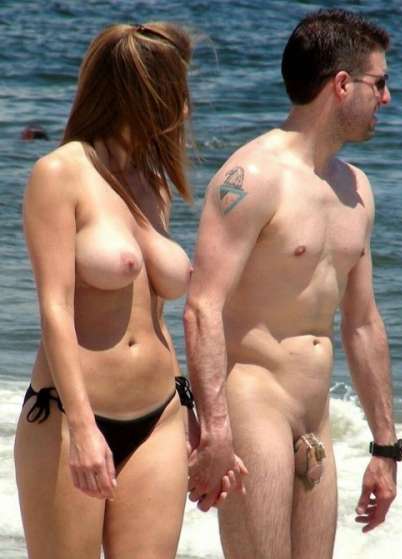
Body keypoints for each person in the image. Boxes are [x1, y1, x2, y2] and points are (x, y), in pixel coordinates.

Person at [184, 9, 402, 559]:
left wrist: (385, 447)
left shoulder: (356, 189)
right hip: (253, 405)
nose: (386, 98)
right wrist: (215, 431)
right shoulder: (252, 178)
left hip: (316, 415)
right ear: (342, 84)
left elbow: (362, 322)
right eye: (379, 83)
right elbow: (202, 307)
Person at [14, 21, 206, 559]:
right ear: (142, 92)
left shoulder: (154, 183)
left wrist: (190, 407)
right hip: (70, 416)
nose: (185, 108)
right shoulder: (60, 174)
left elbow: (155, 316)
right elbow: (55, 309)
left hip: (160, 416)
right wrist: (81, 429)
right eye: (177, 91)